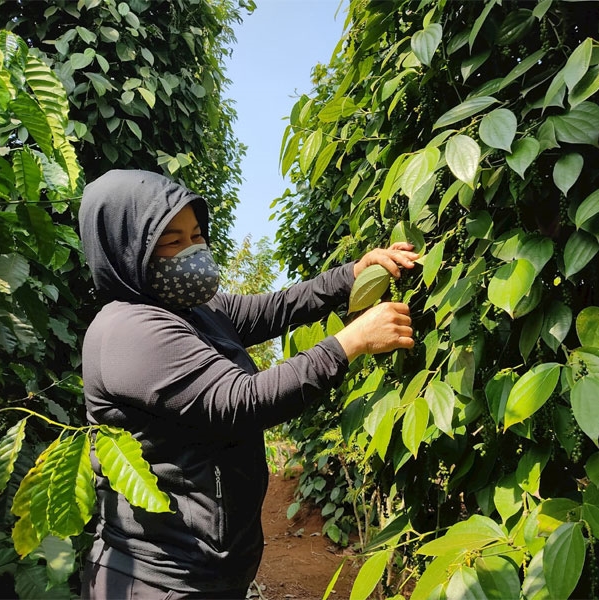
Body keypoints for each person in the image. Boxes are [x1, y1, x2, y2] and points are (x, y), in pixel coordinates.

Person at [77, 169, 417, 599]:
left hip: (207, 570)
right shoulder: (128, 331)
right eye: (172, 241)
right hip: (159, 580)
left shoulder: (193, 311)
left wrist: (351, 274)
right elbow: (240, 401)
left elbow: (275, 308)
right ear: (126, 251)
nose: (193, 251)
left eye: (196, 235)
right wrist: (350, 343)